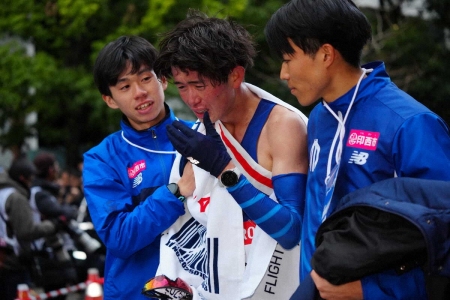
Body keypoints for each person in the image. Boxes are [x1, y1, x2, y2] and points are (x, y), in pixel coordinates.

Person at [264, 0, 450, 299]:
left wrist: (370, 291)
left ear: (325, 54)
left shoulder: (410, 123)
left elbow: (443, 239)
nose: (283, 74)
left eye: (288, 59)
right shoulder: (320, 118)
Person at [155, 10, 308, 299]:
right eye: (182, 87)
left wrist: (224, 169)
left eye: (199, 85)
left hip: (280, 286)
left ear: (235, 75)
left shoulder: (282, 126)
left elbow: (291, 231)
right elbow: (192, 222)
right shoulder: (200, 131)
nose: (191, 99)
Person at [82, 35, 195, 299]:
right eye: (124, 86)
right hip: (136, 293)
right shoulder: (102, 159)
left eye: (146, 79)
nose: (140, 92)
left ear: (163, 80)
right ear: (110, 99)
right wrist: (176, 191)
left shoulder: (202, 136)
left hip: (202, 290)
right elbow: (119, 237)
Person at [0, 155, 56, 300]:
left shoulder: (3, 193)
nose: (32, 182)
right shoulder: (16, 198)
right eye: (30, 178)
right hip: (14, 262)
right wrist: (51, 225)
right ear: (22, 178)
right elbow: (26, 231)